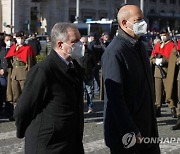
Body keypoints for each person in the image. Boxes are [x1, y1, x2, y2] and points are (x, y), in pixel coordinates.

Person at [13, 22, 85, 154]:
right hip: (48, 145)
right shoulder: (44, 71)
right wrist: (26, 132)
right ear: (60, 44)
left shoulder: (75, 67)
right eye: (75, 41)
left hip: (70, 142)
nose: (81, 44)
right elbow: (23, 109)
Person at [102, 5, 160, 154]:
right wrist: (131, 130)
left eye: (143, 19)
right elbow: (115, 99)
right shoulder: (115, 52)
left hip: (147, 128)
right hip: (127, 136)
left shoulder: (139, 45)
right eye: (138, 20)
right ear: (124, 23)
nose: (144, 23)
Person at [5, 32, 36, 115]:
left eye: (21, 38)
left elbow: (31, 62)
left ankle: (27, 112)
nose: (20, 40)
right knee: (15, 94)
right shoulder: (14, 48)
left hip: (24, 73)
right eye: (18, 38)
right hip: (14, 74)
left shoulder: (27, 48)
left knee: (25, 93)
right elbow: (9, 60)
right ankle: (17, 112)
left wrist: (30, 75)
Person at [150, 28, 177, 118]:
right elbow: (152, 57)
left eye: (164, 35)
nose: (162, 37)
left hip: (167, 71)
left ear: (168, 35)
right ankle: (158, 107)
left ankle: (172, 107)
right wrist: (155, 61)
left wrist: (163, 60)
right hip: (157, 72)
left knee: (169, 90)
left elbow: (172, 59)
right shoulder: (158, 45)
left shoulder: (172, 45)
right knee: (158, 91)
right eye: (161, 35)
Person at [79, 36, 96, 113]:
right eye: (83, 42)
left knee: (89, 92)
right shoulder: (77, 52)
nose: (84, 44)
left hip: (88, 75)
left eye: (86, 42)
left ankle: (90, 107)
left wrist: (92, 70)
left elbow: (94, 63)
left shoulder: (90, 52)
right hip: (79, 75)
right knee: (80, 92)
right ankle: (80, 107)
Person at [0, 34, 14, 119]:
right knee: (3, 90)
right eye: (7, 40)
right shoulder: (2, 50)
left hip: (12, 74)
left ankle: (10, 112)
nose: (9, 41)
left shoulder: (14, 49)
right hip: (3, 75)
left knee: (11, 93)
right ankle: (2, 110)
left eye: (10, 40)